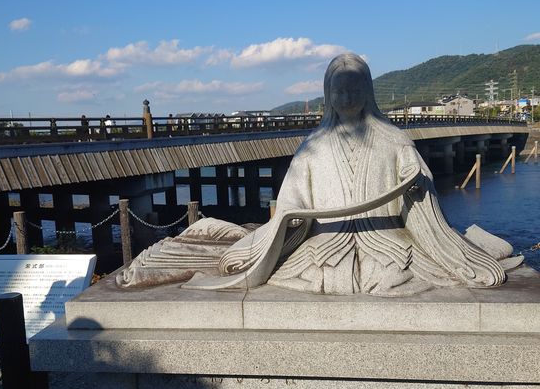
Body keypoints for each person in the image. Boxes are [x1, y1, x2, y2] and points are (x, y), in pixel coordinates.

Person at [117, 53, 513, 294]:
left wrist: (416, 185)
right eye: (338, 91)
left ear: (367, 92)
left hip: (386, 240)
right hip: (322, 242)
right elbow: (293, 203)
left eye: (354, 89)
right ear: (328, 95)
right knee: (255, 260)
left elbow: (420, 203)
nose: (346, 98)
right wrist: (291, 221)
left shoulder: (395, 141)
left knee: (390, 276)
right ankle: (180, 252)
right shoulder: (312, 147)